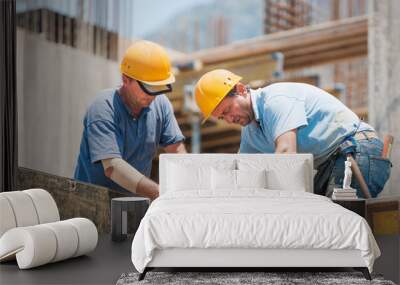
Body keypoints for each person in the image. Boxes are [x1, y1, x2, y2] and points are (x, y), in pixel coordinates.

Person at [194, 69, 391, 198]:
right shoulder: (250, 133)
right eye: (222, 118)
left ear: (239, 90)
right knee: (317, 218)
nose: (229, 119)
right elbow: (243, 171)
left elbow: (286, 154)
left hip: (358, 151)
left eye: (228, 110)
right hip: (332, 163)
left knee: (335, 220)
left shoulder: (275, 100)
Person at [74, 40, 186, 200]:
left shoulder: (160, 104)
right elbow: (113, 167)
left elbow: (176, 151)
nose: (153, 95)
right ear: (126, 80)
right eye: (148, 87)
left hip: (134, 203)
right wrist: (160, 193)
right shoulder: (104, 107)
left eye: (158, 87)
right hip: (92, 203)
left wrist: (187, 186)